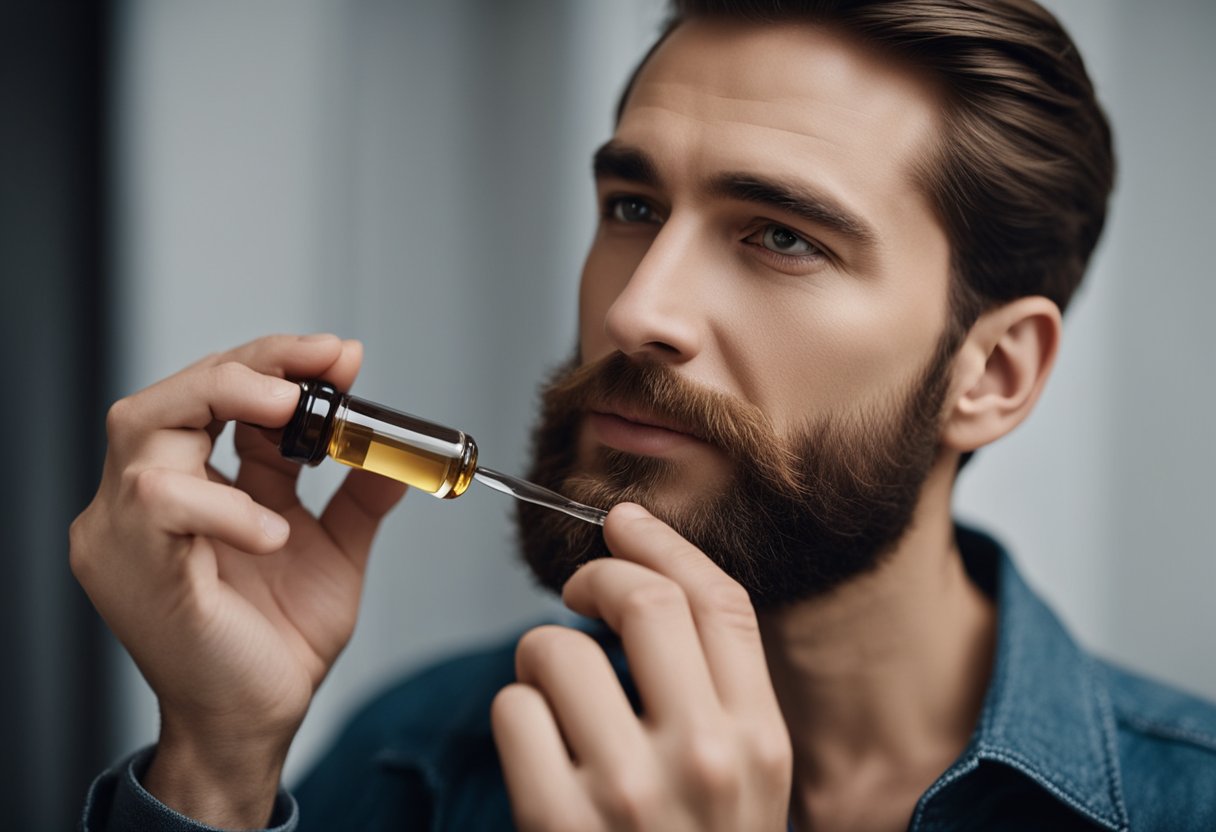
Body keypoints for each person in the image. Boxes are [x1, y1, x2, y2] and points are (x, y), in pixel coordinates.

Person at [74, 1, 1216, 830]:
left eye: (780, 236)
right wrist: (219, 767)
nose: (635, 309)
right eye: (631, 203)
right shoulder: (414, 760)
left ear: (994, 373)